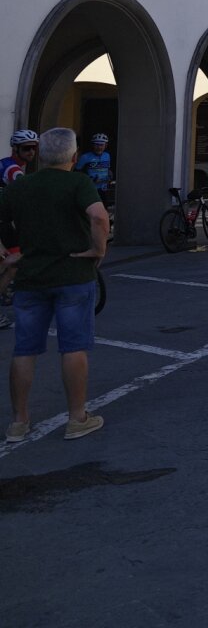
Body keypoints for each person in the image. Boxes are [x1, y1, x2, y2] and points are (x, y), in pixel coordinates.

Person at [0, 127, 108, 442]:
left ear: (42, 155)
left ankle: (18, 422)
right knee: (73, 347)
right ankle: (77, 418)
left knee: (25, 350)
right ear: (74, 157)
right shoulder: (78, 182)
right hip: (73, 275)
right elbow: (99, 218)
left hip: (31, 277)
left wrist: (9, 253)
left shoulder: (23, 185)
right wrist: (97, 251)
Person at [0, 131, 39, 329]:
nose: (31, 151)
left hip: (4, 219)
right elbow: (25, 197)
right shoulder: (14, 170)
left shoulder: (6, 163)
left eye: (34, 147)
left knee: (14, 259)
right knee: (13, 262)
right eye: (26, 148)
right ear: (16, 149)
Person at [76, 134, 114, 205]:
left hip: (104, 188)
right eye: (96, 145)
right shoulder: (85, 157)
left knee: (104, 208)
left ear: (106, 145)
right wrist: (90, 179)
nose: (99, 147)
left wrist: (110, 173)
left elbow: (107, 169)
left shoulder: (107, 155)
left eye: (101, 145)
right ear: (93, 145)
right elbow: (77, 173)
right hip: (91, 189)